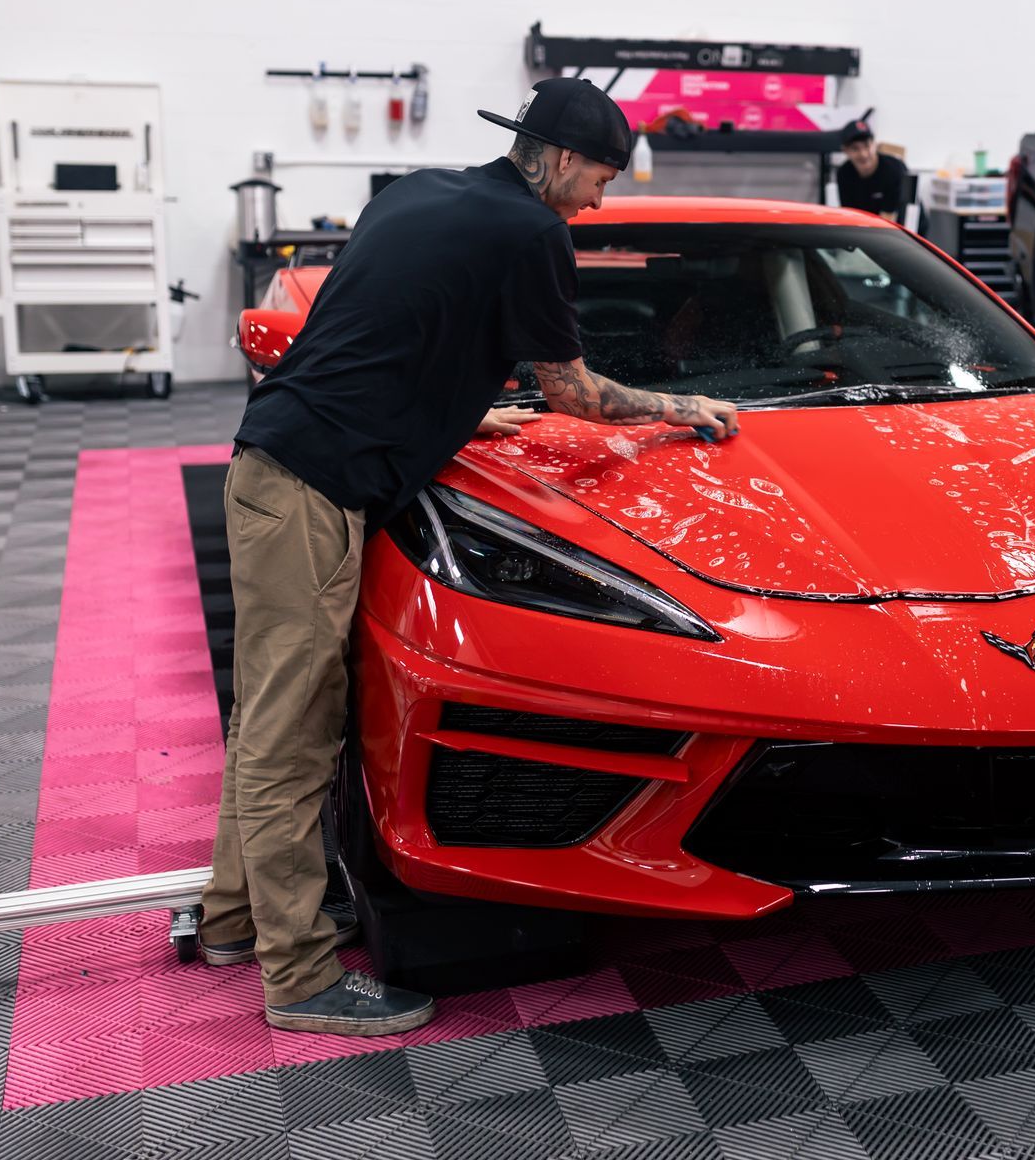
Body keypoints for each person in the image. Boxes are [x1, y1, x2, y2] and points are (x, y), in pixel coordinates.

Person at [196, 77, 739, 1036]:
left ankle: (236, 922)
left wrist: (450, 407)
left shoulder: (417, 191)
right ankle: (301, 981)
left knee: (267, 716)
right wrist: (680, 409)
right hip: (314, 490)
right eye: (601, 180)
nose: (598, 204)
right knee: (295, 733)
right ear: (564, 159)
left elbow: (376, 331)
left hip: (278, 467)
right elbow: (574, 394)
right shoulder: (531, 235)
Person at [835, 119, 910, 220]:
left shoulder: (894, 170)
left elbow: (888, 218)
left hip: (905, 228)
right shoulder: (844, 174)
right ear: (845, 151)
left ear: (875, 144)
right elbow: (849, 216)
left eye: (867, 146)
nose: (863, 154)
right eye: (855, 148)